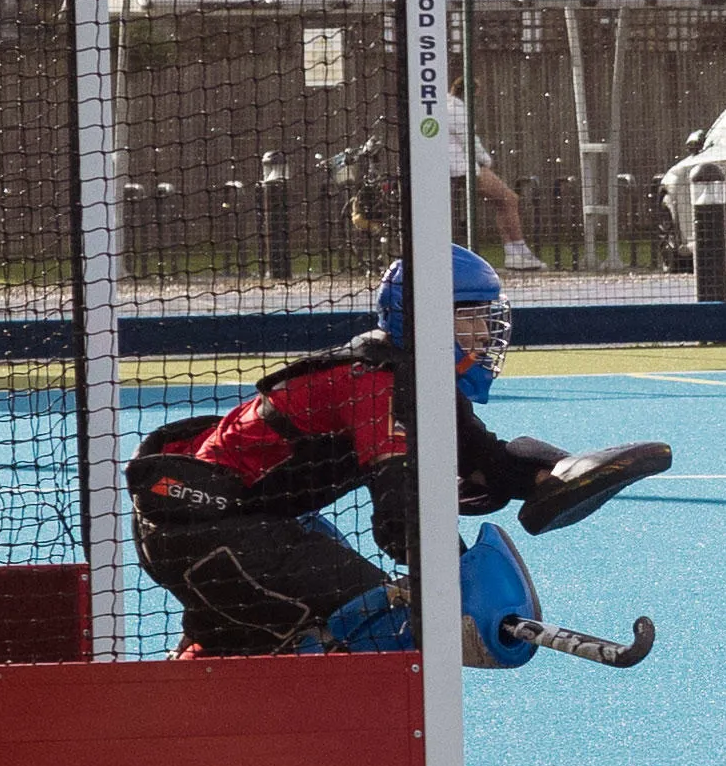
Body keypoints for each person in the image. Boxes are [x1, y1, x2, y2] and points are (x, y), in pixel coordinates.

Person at [128, 247, 655, 655]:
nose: (483, 333)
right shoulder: (383, 381)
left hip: (239, 528)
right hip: (203, 531)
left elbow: (481, 458)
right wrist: (453, 588)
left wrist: (551, 478)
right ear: (425, 316)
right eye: (469, 316)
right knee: (380, 624)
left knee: (247, 644)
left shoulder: (420, 381)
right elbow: (401, 515)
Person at [472, 137, 544, 271]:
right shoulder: (458, 116)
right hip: (466, 166)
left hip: (458, 164)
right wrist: (484, 159)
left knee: (503, 202)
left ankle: (513, 252)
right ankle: (519, 250)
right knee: (509, 199)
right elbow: (467, 138)